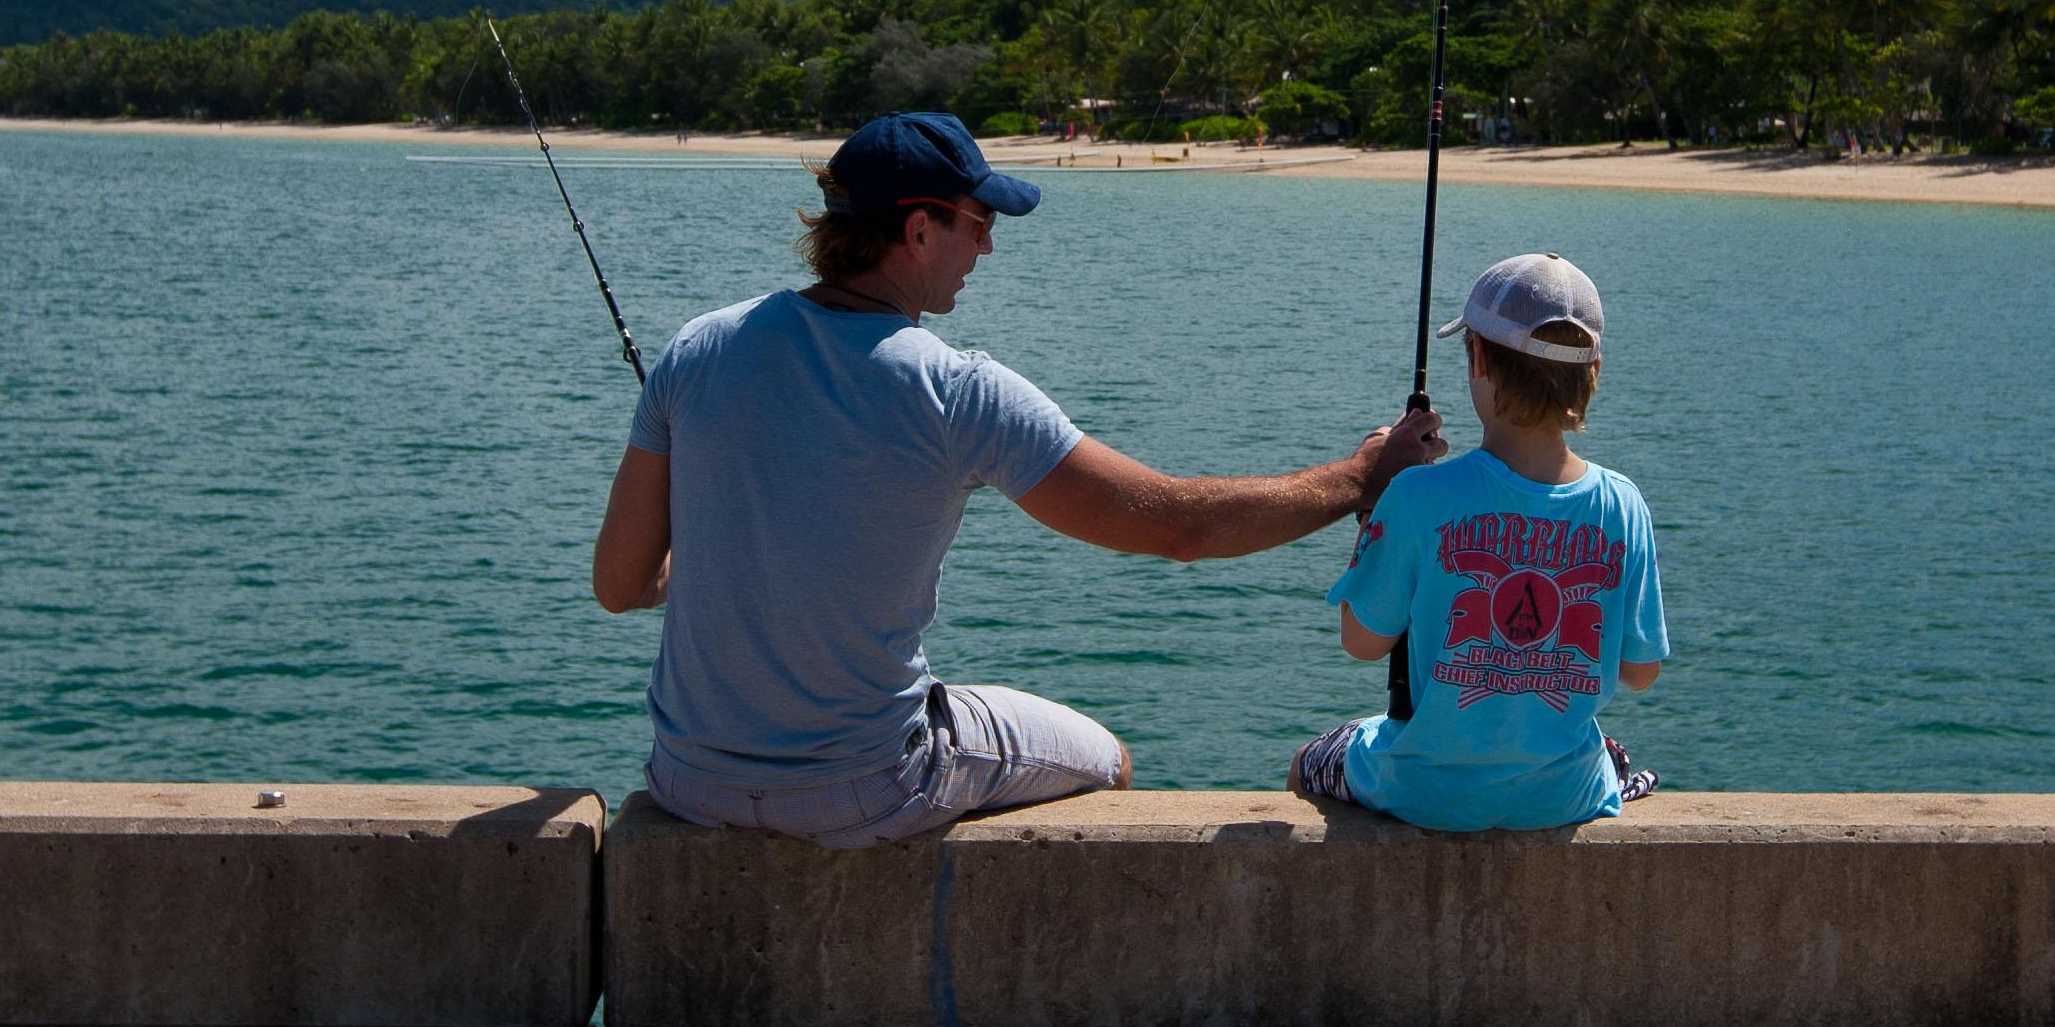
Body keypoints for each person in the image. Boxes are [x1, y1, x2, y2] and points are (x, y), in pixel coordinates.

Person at [591, 111, 1439, 849]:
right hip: (864, 787)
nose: (989, 243)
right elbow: (1178, 526)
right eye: (979, 220)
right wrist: (1362, 475)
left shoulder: (696, 349)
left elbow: (622, 584)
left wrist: (718, 566)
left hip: (687, 782)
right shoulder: (956, 391)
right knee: (1108, 761)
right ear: (919, 231)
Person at [1299, 252, 1671, 828]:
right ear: (1592, 371)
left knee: (1309, 762)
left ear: (1478, 359)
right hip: (1564, 793)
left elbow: (1363, 641)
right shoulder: (1623, 504)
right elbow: (1641, 671)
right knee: (1609, 752)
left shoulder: (1417, 496)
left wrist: (1378, 507)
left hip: (1425, 792)